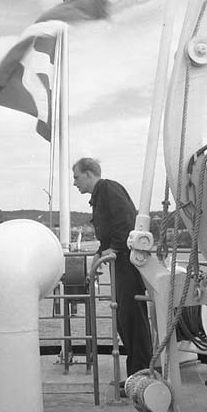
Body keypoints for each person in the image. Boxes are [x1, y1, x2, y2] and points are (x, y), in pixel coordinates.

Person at [72, 157, 152, 387]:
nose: (74, 183)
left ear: (89, 174)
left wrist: (114, 248)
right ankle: (136, 377)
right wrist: (100, 253)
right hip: (120, 263)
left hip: (127, 263)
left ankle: (142, 379)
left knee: (132, 319)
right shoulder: (100, 196)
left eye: (77, 177)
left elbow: (125, 220)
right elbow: (110, 230)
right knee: (124, 320)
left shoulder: (108, 188)